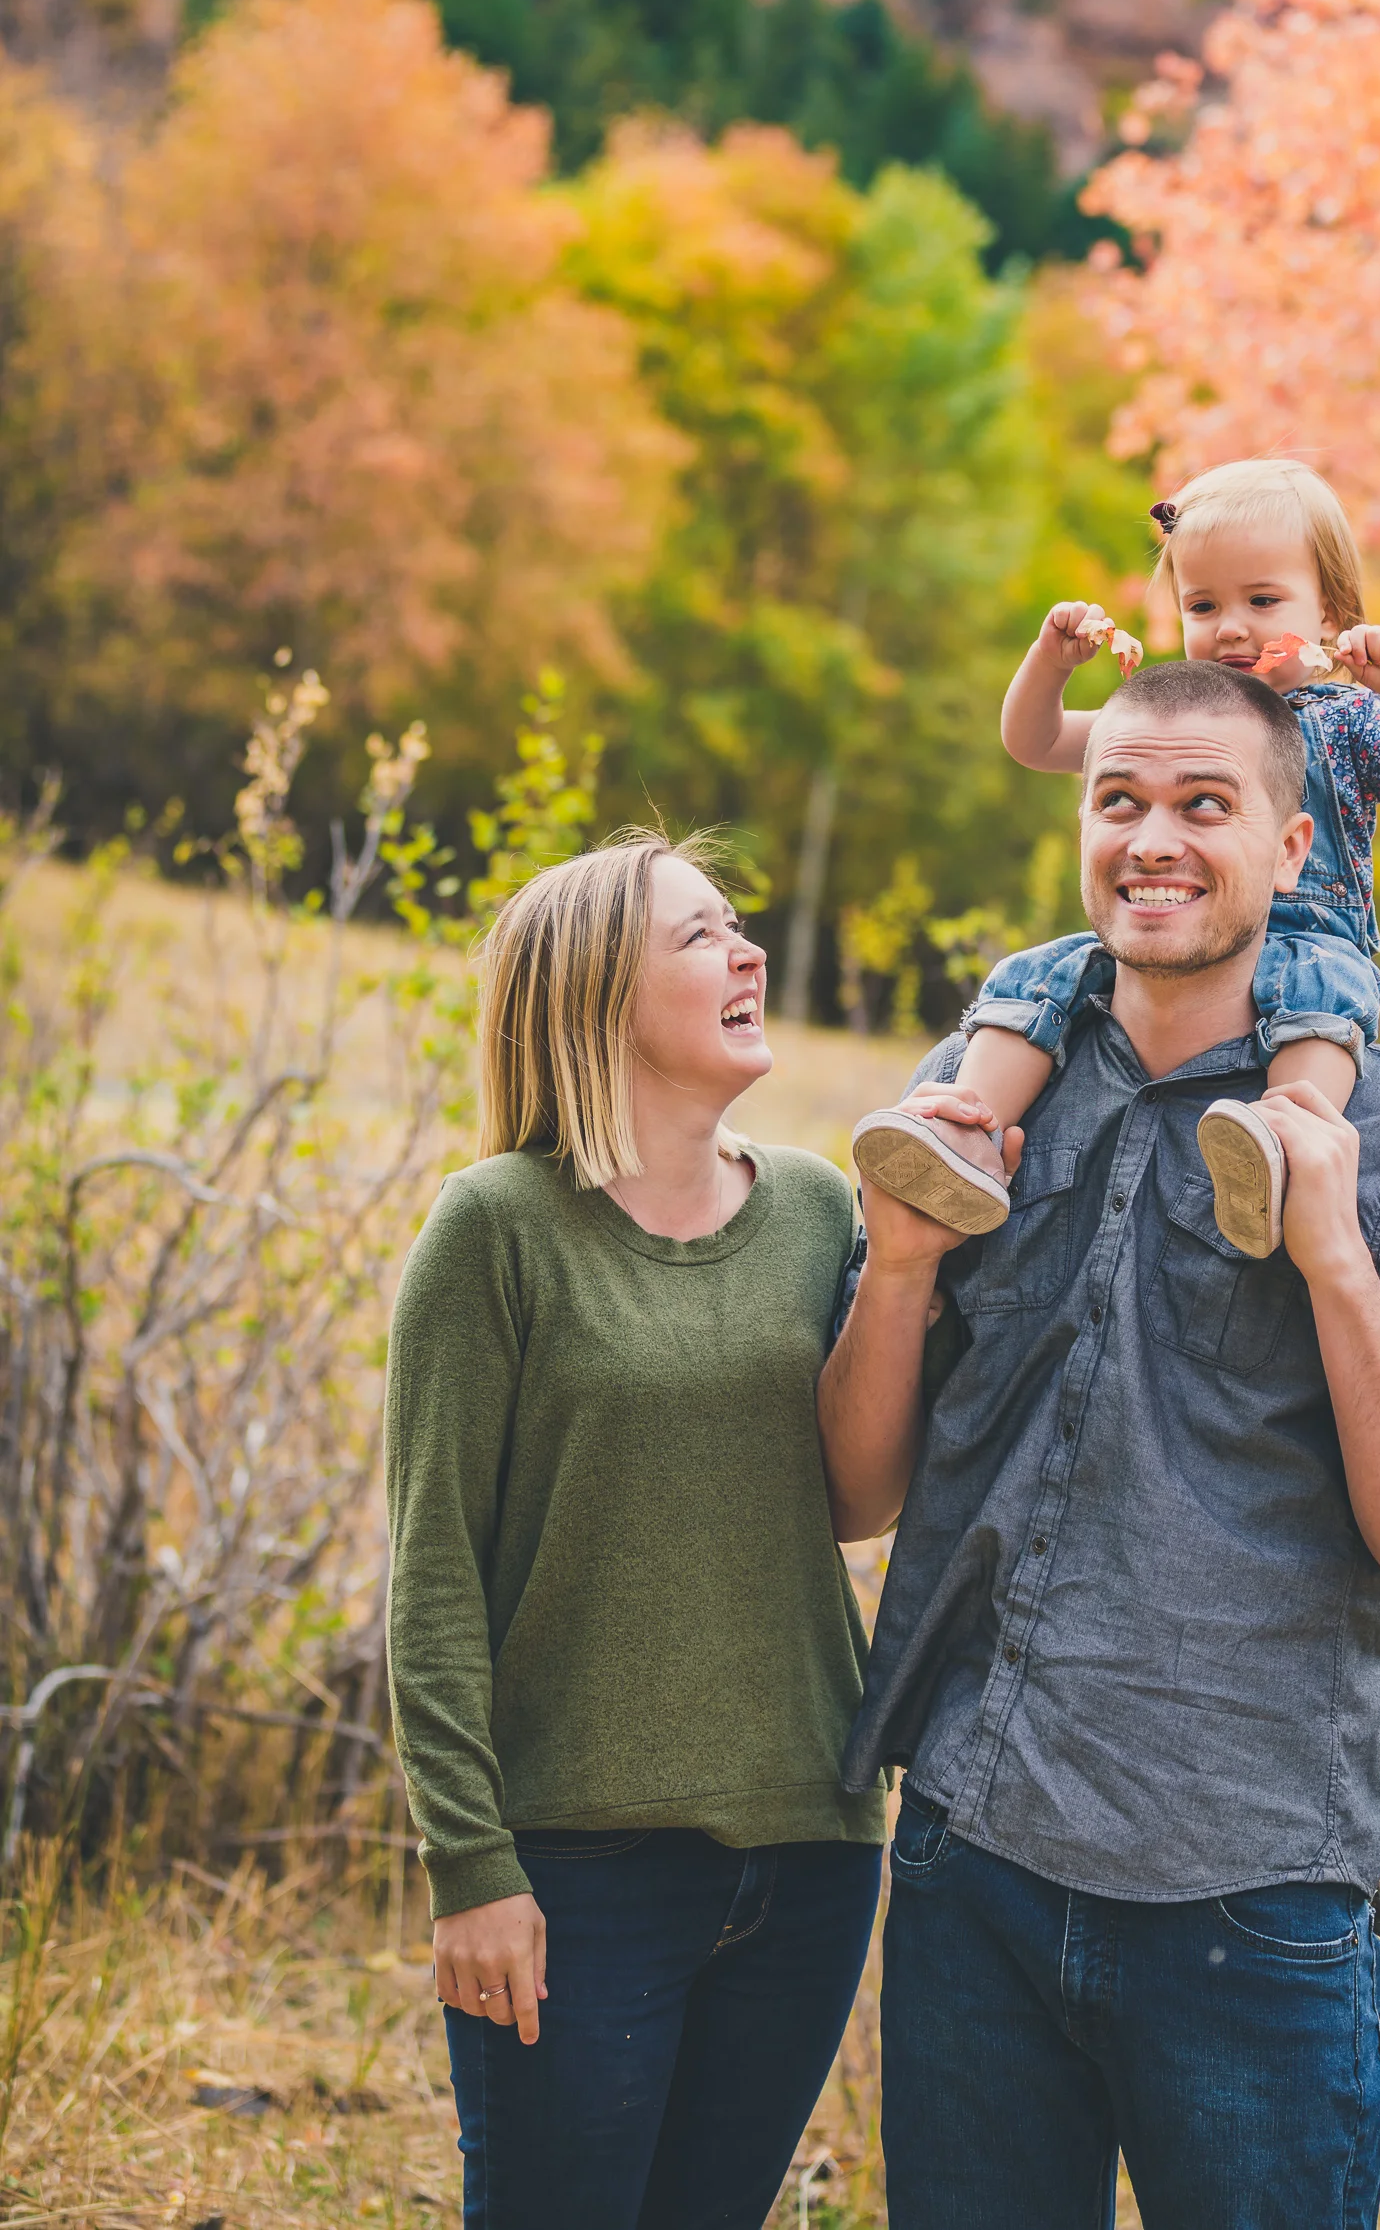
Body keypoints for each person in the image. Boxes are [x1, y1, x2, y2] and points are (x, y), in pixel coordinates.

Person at [820, 658, 1380, 2230]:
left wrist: (1334, 1257)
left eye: (1205, 804)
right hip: (972, 1863)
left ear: (1296, 849)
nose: (1152, 838)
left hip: (1250, 1902)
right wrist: (895, 1265)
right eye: (1120, 799)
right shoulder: (974, 1107)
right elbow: (853, 1494)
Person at [385, 831, 884, 2230]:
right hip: (574, 1868)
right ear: (597, 994)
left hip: (809, 1849)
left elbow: (858, 1496)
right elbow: (430, 1581)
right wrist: (470, 1868)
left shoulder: (817, 1208)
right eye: (700, 935)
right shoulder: (492, 1230)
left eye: (739, 925)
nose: (747, 952)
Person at [852, 457, 1380, 1258]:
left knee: (1318, 1000)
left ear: (1330, 612)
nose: (1230, 626)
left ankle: (1282, 1157)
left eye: (1262, 601)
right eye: (1202, 603)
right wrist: (1050, 663)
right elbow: (1036, 741)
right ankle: (965, 1136)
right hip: (1165, 931)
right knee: (1039, 976)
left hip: (1310, 937)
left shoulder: (1349, 715)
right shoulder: (1173, 714)